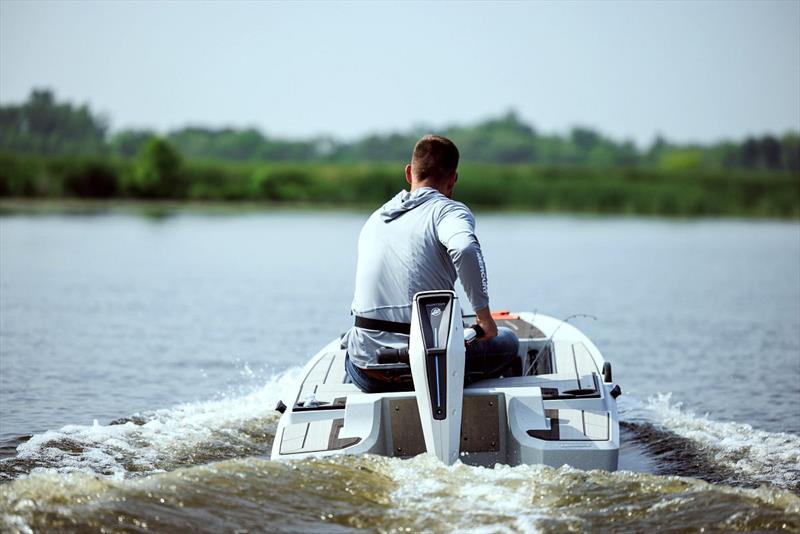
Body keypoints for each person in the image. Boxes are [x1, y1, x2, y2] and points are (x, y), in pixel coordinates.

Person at [342, 134, 519, 393]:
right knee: (509, 341)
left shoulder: (376, 218)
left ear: (408, 172)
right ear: (453, 179)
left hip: (368, 370)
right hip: (429, 368)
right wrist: (484, 317)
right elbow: (465, 247)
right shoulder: (447, 211)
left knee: (353, 348)